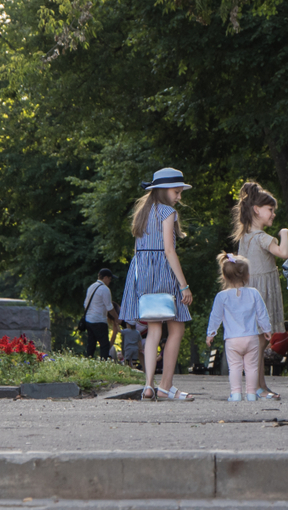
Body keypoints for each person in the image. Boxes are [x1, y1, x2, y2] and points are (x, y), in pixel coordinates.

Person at [119, 167, 195, 401]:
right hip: (163, 270)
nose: (179, 196)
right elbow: (169, 250)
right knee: (177, 327)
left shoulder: (142, 212)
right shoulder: (167, 212)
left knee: (153, 330)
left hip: (142, 272)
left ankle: (149, 385)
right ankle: (166, 386)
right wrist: (183, 285)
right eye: (176, 191)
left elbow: (136, 250)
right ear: (163, 190)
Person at [233, 181, 288, 399]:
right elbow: (284, 253)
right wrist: (284, 233)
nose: (273, 214)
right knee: (260, 341)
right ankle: (257, 386)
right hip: (261, 294)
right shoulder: (262, 238)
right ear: (257, 210)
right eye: (270, 210)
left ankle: (260, 385)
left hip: (250, 291)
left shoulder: (245, 238)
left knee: (259, 340)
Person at [206, 253, 272, 401]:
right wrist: (266, 330)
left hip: (232, 340)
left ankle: (235, 394)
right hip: (251, 337)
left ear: (224, 277)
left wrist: (211, 333)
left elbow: (215, 317)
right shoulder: (254, 293)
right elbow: (262, 313)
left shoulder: (222, 297)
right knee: (252, 368)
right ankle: (250, 394)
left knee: (235, 367)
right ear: (247, 275)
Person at [83, 268, 118, 359]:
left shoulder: (91, 287)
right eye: (110, 279)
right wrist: (116, 317)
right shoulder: (104, 289)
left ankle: (88, 360)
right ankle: (104, 362)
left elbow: (85, 304)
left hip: (88, 320)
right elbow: (109, 307)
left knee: (91, 343)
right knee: (104, 344)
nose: (110, 281)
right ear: (105, 277)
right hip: (99, 320)